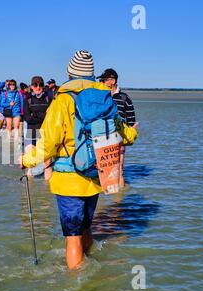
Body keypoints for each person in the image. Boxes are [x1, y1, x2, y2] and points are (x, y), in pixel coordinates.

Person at [21, 50, 138, 270]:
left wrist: (27, 159)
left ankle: (77, 285)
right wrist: (133, 134)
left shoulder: (63, 100)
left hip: (69, 179)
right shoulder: (103, 97)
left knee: (72, 236)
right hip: (95, 175)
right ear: (92, 74)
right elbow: (122, 132)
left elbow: (48, 142)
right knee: (86, 228)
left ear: (70, 72)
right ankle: (93, 269)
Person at [97, 68, 138, 187]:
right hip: (101, 138)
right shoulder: (100, 97)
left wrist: (131, 132)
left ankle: (119, 200)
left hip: (119, 138)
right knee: (100, 171)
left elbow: (131, 121)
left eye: (104, 80)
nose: (101, 82)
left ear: (112, 81)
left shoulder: (124, 98)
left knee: (119, 170)